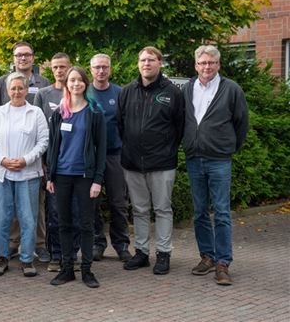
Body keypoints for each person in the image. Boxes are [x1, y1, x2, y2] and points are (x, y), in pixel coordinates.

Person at [183, 45, 249, 286]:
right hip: (194, 158)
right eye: (202, 63)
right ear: (196, 65)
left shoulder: (231, 89)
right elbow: (184, 119)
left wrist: (228, 146)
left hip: (219, 160)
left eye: (211, 63)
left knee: (221, 212)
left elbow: (242, 123)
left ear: (218, 65)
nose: (206, 67)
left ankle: (223, 263)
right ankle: (207, 257)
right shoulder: (188, 87)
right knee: (200, 212)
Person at [117, 46, 184, 275]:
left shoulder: (172, 92)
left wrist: (165, 150)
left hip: (162, 163)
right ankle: (142, 253)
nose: (146, 64)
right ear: (138, 64)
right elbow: (120, 125)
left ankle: (163, 254)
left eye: (151, 60)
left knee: (163, 209)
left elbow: (180, 127)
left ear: (159, 63)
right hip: (132, 163)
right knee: (139, 209)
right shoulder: (127, 91)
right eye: (143, 60)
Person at [0, 41, 51, 263]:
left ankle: (38, 245)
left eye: (27, 55)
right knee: (7, 210)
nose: (23, 58)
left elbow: (44, 130)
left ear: (33, 58)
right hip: (4, 163)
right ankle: (12, 245)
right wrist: (2, 159)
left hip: (32, 161)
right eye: (18, 55)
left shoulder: (44, 84)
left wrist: (34, 159)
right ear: (13, 59)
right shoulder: (0, 84)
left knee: (33, 209)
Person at [46, 67, 106, 288]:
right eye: (72, 80)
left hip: (85, 177)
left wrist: (97, 180)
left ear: (85, 84)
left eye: (79, 80)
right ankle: (67, 268)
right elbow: (53, 146)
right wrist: (50, 176)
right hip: (61, 176)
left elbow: (101, 150)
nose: (75, 84)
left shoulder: (94, 112)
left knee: (86, 224)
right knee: (64, 223)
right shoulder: (59, 112)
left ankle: (87, 270)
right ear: (66, 84)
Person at [33, 52, 81, 272]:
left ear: (70, 68)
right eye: (55, 67)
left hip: (76, 165)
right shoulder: (43, 94)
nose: (59, 71)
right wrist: (43, 163)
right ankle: (55, 255)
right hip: (52, 162)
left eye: (63, 67)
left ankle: (73, 254)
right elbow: (38, 130)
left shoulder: (79, 95)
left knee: (75, 212)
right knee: (54, 212)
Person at [87, 53, 132, 262]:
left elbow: (126, 125)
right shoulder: (84, 92)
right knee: (92, 203)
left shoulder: (120, 93)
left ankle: (121, 244)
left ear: (110, 69)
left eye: (104, 67)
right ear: (91, 69)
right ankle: (98, 243)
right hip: (91, 157)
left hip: (115, 155)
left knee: (118, 202)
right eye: (97, 67)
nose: (101, 71)